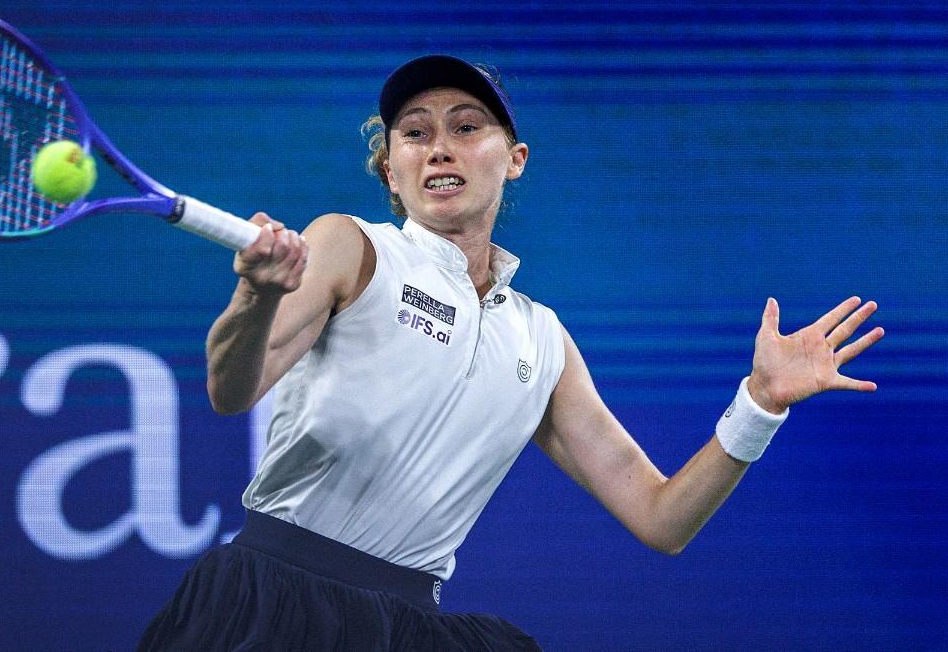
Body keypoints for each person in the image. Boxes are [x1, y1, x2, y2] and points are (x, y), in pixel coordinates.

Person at [139, 55, 884, 651]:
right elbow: (232, 388)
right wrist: (255, 294)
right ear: (392, 172)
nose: (439, 147)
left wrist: (757, 404)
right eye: (414, 132)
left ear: (514, 158)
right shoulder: (351, 246)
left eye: (466, 127)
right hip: (272, 600)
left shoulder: (543, 338)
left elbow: (662, 518)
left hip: (408, 622)